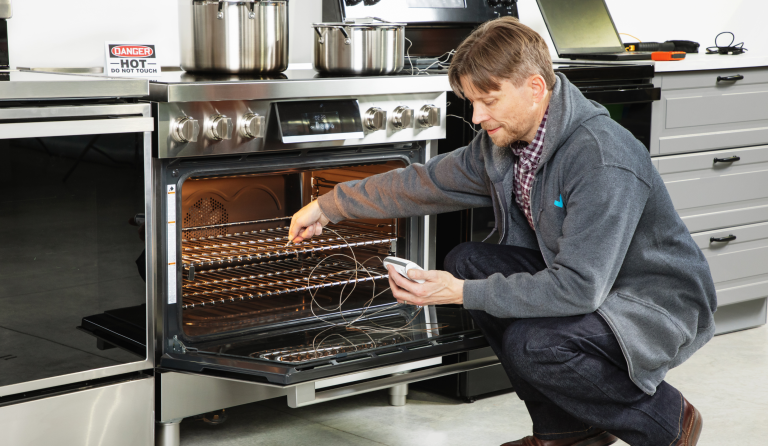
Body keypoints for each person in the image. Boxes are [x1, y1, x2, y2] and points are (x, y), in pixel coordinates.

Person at [288, 17, 715, 446]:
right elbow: (427, 182)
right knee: (467, 262)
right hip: (591, 280)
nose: (477, 117)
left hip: (651, 300)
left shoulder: (601, 158)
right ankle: (567, 433)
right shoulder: (506, 142)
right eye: (471, 101)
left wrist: (458, 293)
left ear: (534, 88)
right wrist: (330, 204)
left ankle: (668, 421)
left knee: (533, 345)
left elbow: (580, 288)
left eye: (487, 100)